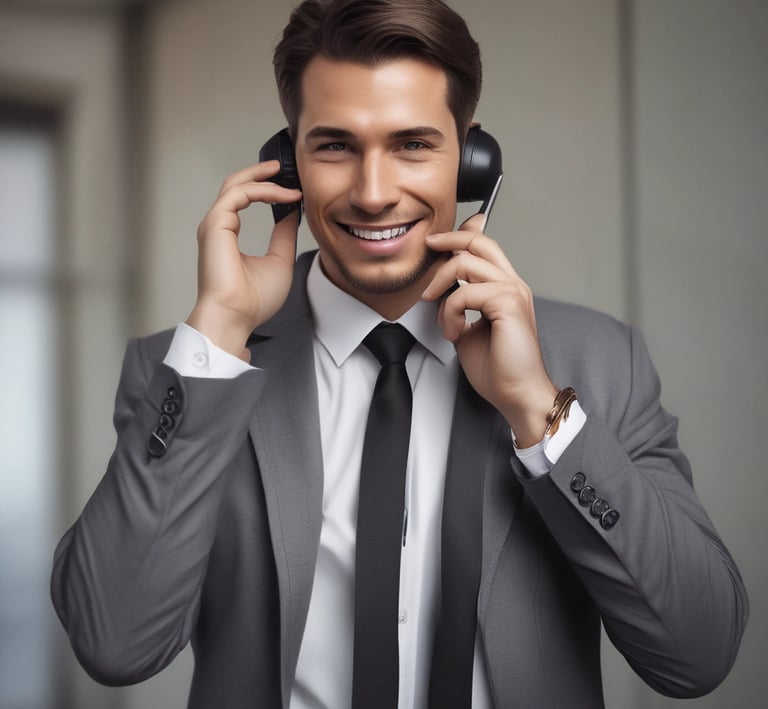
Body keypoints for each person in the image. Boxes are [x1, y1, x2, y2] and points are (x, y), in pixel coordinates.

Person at [51, 0, 748, 707]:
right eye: (335, 146)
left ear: (471, 159)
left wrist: (539, 412)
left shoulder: (598, 362)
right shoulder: (190, 370)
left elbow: (697, 653)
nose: (374, 193)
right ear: (287, 162)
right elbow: (115, 644)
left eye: (412, 143)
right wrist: (217, 334)